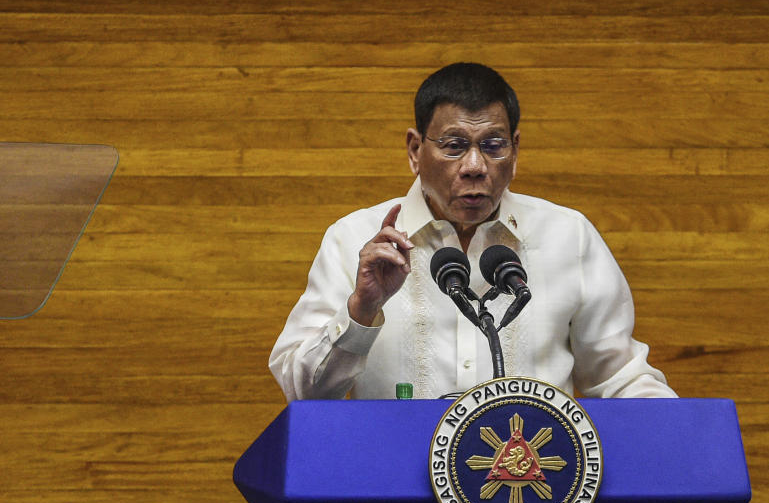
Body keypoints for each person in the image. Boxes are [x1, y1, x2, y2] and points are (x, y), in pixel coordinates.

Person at [270, 63, 677, 402]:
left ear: (515, 152)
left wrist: (683, 441)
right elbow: (302, 392)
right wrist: (361, 309)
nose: (474, 165)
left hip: (530, 486)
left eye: (494, 145)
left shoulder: (568, 237)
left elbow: (621, 378)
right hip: (392, 487)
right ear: (415, 151)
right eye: (453, 145)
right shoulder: (352, 240)